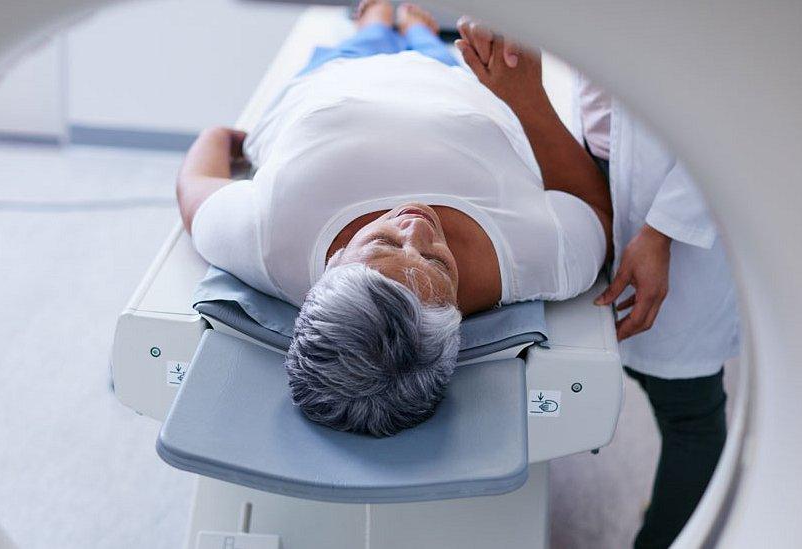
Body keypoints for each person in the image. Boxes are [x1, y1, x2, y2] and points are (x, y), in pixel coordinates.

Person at [176, 1, 612, 437]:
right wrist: (526, 97)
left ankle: (378, 18)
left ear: (333, 264)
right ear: (456, 317)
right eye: (440, 263)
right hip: (457, 86)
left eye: (384, 243)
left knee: (365, 35)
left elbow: (195, 184)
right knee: (428, 41)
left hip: (334, 81)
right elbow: (595, 210)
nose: (419, 226)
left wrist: (220, 138)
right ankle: (414, 28)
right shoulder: (538, 260)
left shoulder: (265, 242)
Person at [458, 17, 739, 549]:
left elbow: (736, 104)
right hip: (602, 152)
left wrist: (660, 232)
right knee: (625, 354)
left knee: (690, 410)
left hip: (674, 188)